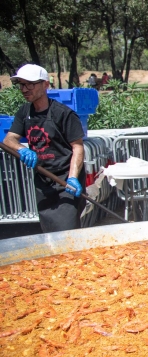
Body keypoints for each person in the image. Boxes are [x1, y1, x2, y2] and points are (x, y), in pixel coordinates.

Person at [3, 64, 86, 232]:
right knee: (48, 233)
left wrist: (72, 178)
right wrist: (21, 149)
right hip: (43, 181)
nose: (24, 89)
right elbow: (9, 139)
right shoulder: (24, 112)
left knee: (66, 232)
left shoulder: (63, 114)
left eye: (29, 84)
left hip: (65, 181)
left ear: (45, 85)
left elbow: (77, 147)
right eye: (21, 84)